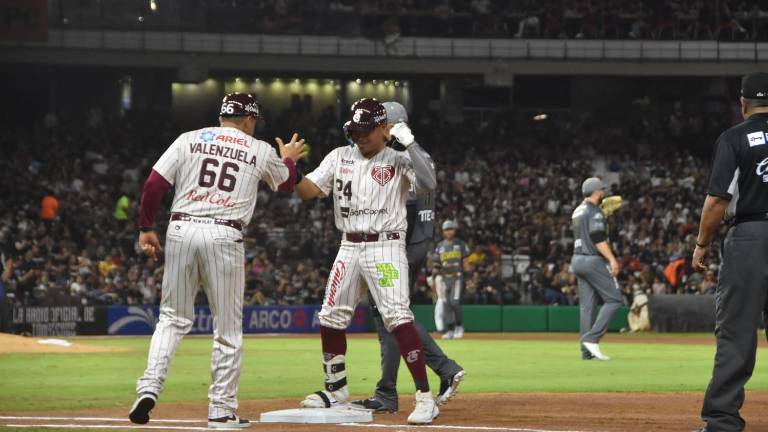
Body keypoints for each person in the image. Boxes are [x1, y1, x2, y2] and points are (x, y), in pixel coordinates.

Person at [129, 93, 306, 429]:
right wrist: (288, 159)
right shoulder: (258, 149)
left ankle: (149, 387)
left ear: (222, 116)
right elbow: (286, 184)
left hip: (181, 228)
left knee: (172, 319)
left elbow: (154, 185)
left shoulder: (188, 139)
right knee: (227, 328)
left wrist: (146, 228)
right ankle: (221, 410)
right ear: (249, 120)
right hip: (224, 233)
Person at [292, 98, 439, 424]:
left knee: (398, 317)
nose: (359, 137)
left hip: (385, 246)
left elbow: (429, 183)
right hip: (349, 245)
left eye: (366, 131)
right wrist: (290, 168)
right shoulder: (338, 156)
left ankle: (425, 398)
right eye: (355, 131)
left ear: (384, 129)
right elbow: (307, 191)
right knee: (330, 316)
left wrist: (409, 142)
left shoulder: (399, 159)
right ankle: (335, 389)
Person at [350, 101, 465, 413]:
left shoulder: (399, 156)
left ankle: (443, 369)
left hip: (400, 247)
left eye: (379, 124)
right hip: (416, 245)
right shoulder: (419, 154)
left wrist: (391, 250)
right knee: (390, 316)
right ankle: (388, 391)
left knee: (393, 315)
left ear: (390, 126)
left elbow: (408, 207)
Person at [692, 72, 768, 432]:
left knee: (737, 330)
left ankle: (722, 421)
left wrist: (702, 243)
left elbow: (717, 200)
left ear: (742, 104)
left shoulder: (734, 138)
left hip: (750, 236)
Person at [570, 177, 623, 361]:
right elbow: (598, 237)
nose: (603, 193)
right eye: (601, 190)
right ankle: (592, 339)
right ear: (596, 192)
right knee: (614, 299)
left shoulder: (577, 210)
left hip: (577, 259)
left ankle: (586, 352)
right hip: (592, 260)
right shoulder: (595, 212)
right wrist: (612, 259)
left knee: (587, 308)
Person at [433, 220, 470, 339]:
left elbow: (466, 263)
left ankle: (459, 326)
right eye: (446, 230)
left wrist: (469, 278)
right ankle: (450, 329)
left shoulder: (460, 244)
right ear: (443, 232)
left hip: (457, 277)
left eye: (451, 229)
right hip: (444, 278)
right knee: (446, 304)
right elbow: (436, 264)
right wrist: (434, 277)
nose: (449, 232)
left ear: (455, 230)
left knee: (455, 302)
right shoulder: (440, 246)